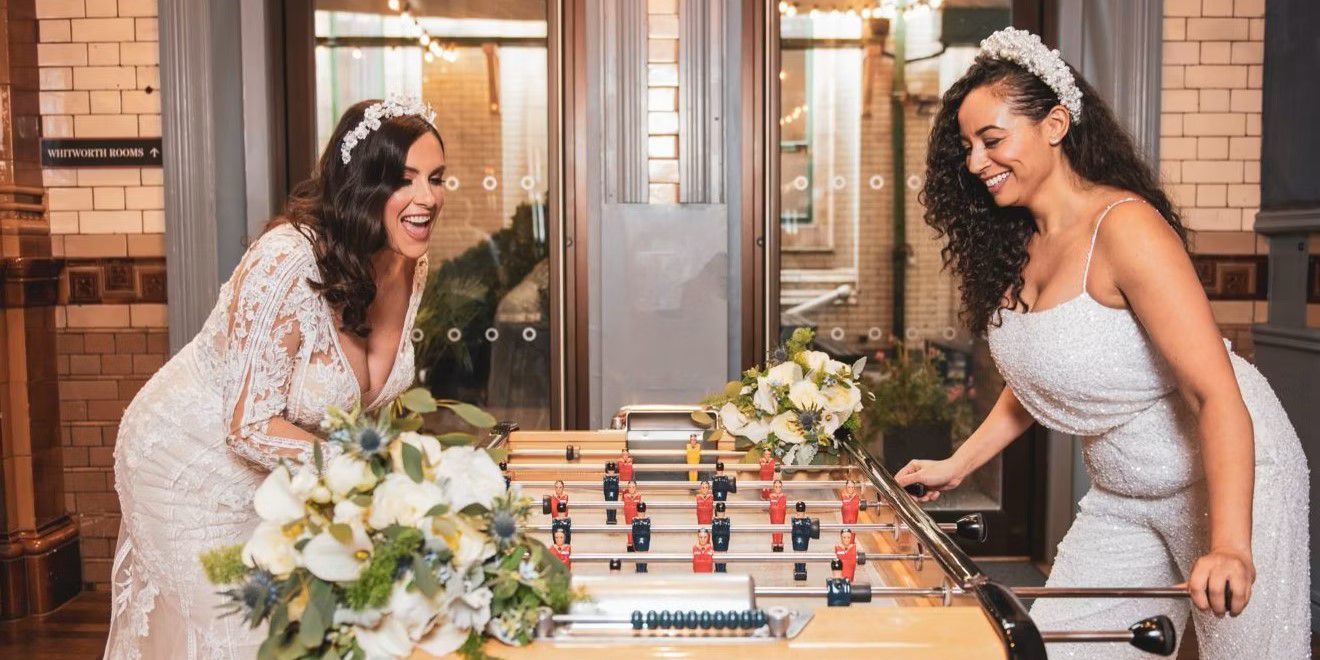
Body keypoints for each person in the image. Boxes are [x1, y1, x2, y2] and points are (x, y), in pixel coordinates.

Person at [896, 27, 1308, 658]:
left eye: (992, 139)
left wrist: (1231, 544)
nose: (977, 162)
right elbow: (1038, 382)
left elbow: (1214, 392)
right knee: (1066, 649)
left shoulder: (1126, 228)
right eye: (968, 146)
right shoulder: (1016, 244)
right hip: (1123, 494)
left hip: (1231, 481)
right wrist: (958, 465)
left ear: (1055, 124)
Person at [105, 96, 444, 658]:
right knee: (241, 631)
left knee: (310, 621)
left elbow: (361, 406)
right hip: (189, 462)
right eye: (404, 180)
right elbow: (248, 425)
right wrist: (370, 476)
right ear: (361, 186)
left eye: (435, 179)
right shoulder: (286, 259)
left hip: (288, 468)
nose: (427, 198)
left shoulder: (411, 262)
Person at [767, 479, 787, 552]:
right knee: (774, 529)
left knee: (781, 529)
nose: (778, 489)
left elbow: (783, 507)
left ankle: (780, 543)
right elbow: (770, 507)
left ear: (782, 487)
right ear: (773, 487)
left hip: (781, 515)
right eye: (776, 487)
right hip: (774, 515)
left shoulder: (784, 497)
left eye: (779, 487)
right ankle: (775, 543)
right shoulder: (771, 496)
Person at [622, 480, 642, 550]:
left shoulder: (639, 496)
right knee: (629, 530)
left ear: (636, 487)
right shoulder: (625, 496)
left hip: (636, 515)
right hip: (628, 515)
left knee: (636, 530)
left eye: (633, 487)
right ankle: (630, 544)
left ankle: (636, 544)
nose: (631, 489)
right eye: (630, 487)